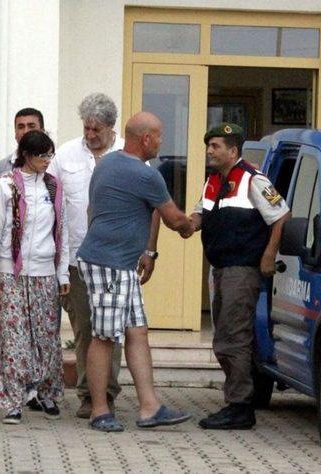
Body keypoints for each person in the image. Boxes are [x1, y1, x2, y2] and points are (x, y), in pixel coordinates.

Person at [77, 111, 192, 432]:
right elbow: (172, 219)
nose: (161, 142)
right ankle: (100, 411)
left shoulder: (107, 164)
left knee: (137, 331)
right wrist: (194, 222)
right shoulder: (147, 175)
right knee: (104, 338)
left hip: (117, 262)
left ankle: (149, 408)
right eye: (158, 136)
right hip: (109, 264)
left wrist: (145, 250)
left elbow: (95, 210)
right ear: (145, 138)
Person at [49, 93, 161, 419]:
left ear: (111, 127)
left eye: (96, 129)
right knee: (88, 329)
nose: (90, 134)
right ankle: (89, 395)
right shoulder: (66, 155)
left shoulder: (132, 154)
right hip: (77, 259)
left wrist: (149, 250)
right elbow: (52, 205)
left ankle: (106, 397)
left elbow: (153, 207)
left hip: (122, 258)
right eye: (86, 128)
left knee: (115, 329)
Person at [189, 123, 289, 430]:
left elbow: (280, 213)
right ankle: (238, 401)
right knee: (225, 338)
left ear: (233, 151)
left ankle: (240, 407)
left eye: (216, 146)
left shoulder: (253, 179)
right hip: (221, 269)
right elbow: (199, 216)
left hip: (242, 270)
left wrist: (269, 254)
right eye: (208, 145)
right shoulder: (213, 181)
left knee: (234, 338)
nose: (209, 151)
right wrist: (179, 221)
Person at [0, 130, 70, 424]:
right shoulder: (6, 185)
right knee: (13, 339)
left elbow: (62, 231)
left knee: (47, 337)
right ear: (26, 155)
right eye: (42, 156)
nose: (47, 161)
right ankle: (12, 402)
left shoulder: (53, 186)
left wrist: (62, 274)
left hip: (46, 272)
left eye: (50, 155)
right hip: (11, 272)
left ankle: (47, 394)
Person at [0, 107, 44, 188]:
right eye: (21, 127)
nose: (25, 131)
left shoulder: (54, 164)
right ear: (15, 132)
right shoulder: (0, 169)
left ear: (42, 131)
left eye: (31, 126)